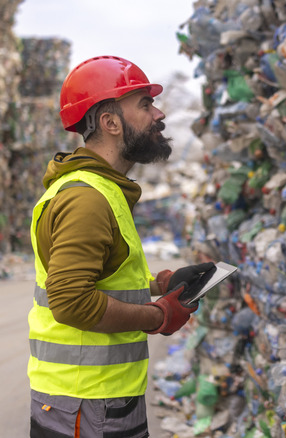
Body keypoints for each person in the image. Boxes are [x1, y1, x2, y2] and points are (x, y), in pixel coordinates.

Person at [27, 55, 216, 438]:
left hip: (102, 399)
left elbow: (106, 274)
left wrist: (161, 284)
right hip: (85, 404)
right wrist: (158, 316)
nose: (159, 113)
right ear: (111, 123)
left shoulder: (106, 190)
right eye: (145, 105)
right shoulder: (87, 199)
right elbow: (71, 302)